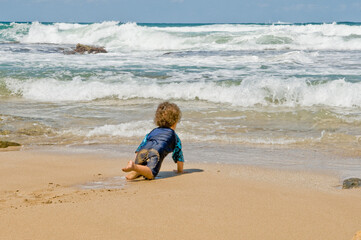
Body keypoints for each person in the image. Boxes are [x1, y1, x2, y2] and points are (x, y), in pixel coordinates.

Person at [122, 102, 184, 180]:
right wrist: (180, 170)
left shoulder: (153, 132)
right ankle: (134, 167)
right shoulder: (174, 136)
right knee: (151, 174)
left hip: (143, 151)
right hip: (155, 152)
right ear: (175, 121)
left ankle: (135, 170)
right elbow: (178, 155)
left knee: (141, 167)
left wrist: (137, 160)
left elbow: (141, 146)